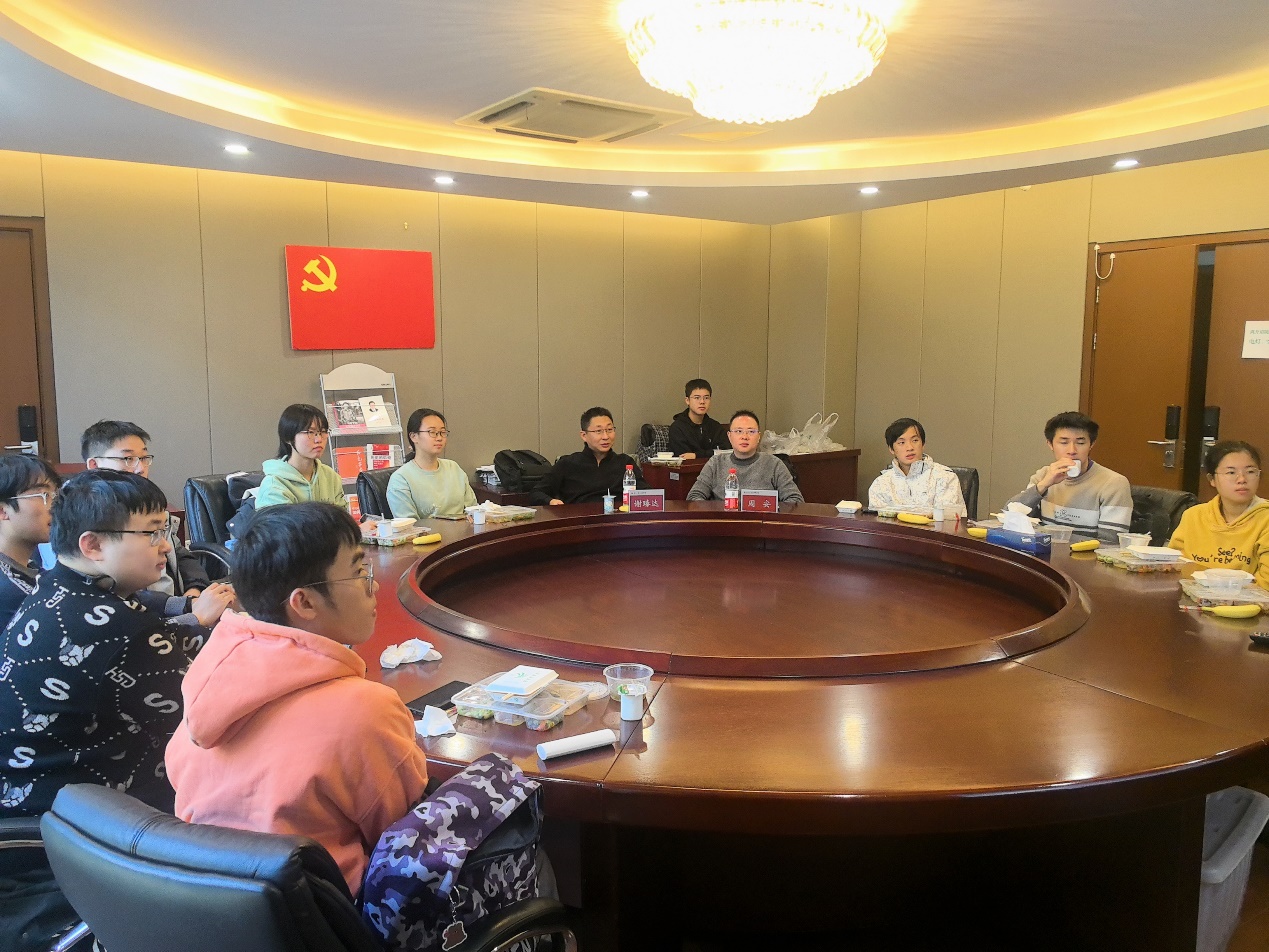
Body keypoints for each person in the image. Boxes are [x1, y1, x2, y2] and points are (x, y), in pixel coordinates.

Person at [166, 502, 428, 893]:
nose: (373, 586)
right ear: (304, 602)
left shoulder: (206, 680)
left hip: (208, 907)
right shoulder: (365, 709)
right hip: (330, 916)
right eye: (359, 573)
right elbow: (401, 832)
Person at [0, 470, 194, 818]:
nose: (166, 545)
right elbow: (206, 717)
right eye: (152, 533)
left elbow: (165, 643)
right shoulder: (118, 629)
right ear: (93, 545)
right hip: (73, 827)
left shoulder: (54, 587)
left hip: (31, 798)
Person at [82, 420, 233, 631]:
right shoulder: (87, 517)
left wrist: (194, 592)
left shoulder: (150, 505)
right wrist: (189, 609)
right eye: (128, 459)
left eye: (144, 458)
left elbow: (181, 554)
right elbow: (124, 595)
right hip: (148, 621)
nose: (140, 468)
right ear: (94, 465)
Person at [1006, 410, 1132, 542]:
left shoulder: (1114, 483)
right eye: (1064, 443)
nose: (1072, 451)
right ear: (1050, 444)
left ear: (1091, 444)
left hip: (1085, 554)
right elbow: (1010, 517)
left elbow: (1110, 542)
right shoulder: (1044, 475)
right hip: (1045, 550)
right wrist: (1043, 485)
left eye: (1080, 443)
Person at [1168, 441, 1268, 589]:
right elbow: (1173, 565)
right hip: (1192, 596)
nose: (1242, 479)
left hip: (1246, 602)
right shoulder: (1194, 516)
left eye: (1250, 472)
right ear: (1212, 480)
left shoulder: (1265, 519)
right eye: (1231, 472)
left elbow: (1265, 584)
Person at [531, 407, 646, 506]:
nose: (606, 436)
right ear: (584, 435)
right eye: (598, 431)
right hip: (580, 521)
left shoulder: (625, 463)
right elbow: (537, 493)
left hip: (617, 520)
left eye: (609, 430)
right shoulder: (567, 464)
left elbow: (647, 494)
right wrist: (551, 501)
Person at [686, 410, 803, 504]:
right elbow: (694, 496)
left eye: (751, 432)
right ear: (729, 436)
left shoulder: (774, 464)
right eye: (738, 431)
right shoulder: (715, 463)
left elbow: (796, 500)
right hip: (724, 522)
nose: (744, 437)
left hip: (761, 523)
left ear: (758, 437)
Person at [0, 455, 60, 629]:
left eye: (56, 495)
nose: (56, 506)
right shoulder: (11, 591)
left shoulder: (29, 568)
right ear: (3, 510)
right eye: (44, 495)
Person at [387, 408, 477, 519]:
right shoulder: (400, 479)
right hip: (427, 531)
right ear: (414, 436)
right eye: (432, 432)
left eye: (442, 432)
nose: (439, 438)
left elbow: (473, 510)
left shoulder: (453, 467)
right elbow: (410, 525)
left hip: (464, 529)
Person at [867, 418, 966, 516]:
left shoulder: (945, 477)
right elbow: (878, 522)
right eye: (901, 443)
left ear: (923, 444)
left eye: (915, 440)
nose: (910, 448)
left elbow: (949, 520)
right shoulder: (880, 484)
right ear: (891, 449)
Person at [256, 404, 346, 509]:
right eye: (310, 432)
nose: (319, 439)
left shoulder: (330, 476)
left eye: (323, 432)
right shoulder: (274, 485)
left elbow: (343, 515)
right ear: (288, 438)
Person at [668, 378, 729, 459]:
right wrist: (710, 453)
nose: (702, 402)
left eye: (706, 398)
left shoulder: (715, 427)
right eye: (697, 398)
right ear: (687, 400)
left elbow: (726, 452)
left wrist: (696, 455)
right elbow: (684, 457)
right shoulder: (678, 428)